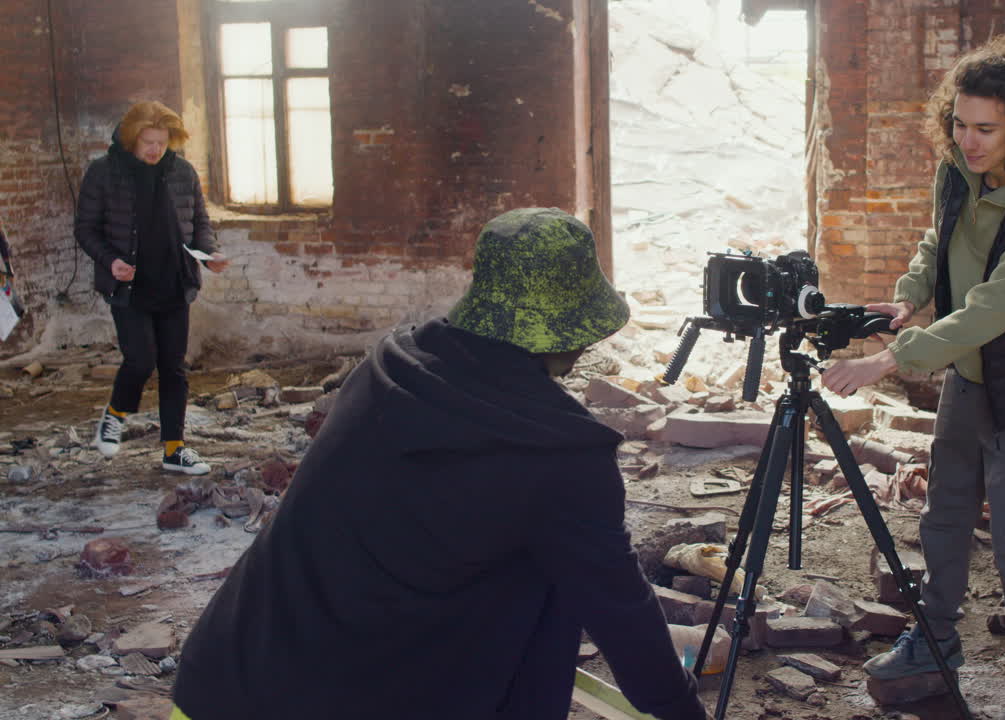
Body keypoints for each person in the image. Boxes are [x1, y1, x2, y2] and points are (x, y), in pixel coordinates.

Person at [170, 208, 707, 720]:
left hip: (222, 677)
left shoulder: (391, 366)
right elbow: (619, 609)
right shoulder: (560, 453)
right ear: (577, 325)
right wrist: (683, 710)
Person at [821, 36, 1005, 720]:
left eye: (986, 130)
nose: (967, 142)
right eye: (959, 124)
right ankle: (935, 643)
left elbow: (991, 311)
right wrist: (908, 295)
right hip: (964, 380)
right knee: (943, 516)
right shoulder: (957, 174)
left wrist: (887, 359)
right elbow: (936, 243)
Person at [74, 101, 228, 475]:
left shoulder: (182, 172)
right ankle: (115, 414)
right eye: (148, 142)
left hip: (175, 281)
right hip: (128, 285)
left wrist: (209, 253)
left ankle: (175, 449)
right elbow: (85, 229)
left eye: (162, 142)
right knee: (140, 360)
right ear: (131, 139)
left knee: (174, 367)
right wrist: (111, 261)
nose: (155, 150)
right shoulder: (103, 173)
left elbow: (199, 222)